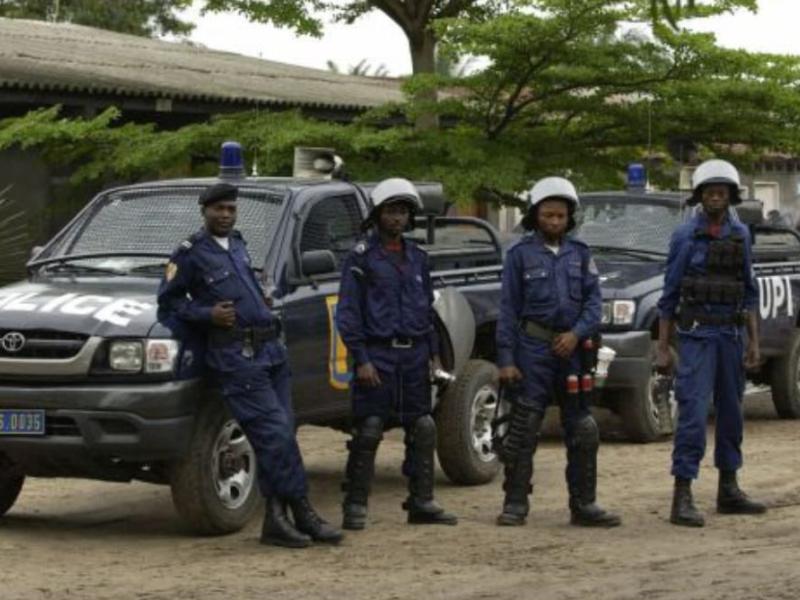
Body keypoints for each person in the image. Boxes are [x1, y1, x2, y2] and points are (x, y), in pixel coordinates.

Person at [157, 182, 342, 548]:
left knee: (283, 436)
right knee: (274, 435)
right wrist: (207, 313)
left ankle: (276, 519)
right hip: (236, 358)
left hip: (271, 352)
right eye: (218, 209)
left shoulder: (239, 245)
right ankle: (302, 511)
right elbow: (168, 305)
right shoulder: (190, 253)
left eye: (230, 209)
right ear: (204, 211)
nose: (225, 215)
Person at [495, 176, 620, 528]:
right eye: (547, 215)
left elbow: (594, 304)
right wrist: (506, 360)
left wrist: (576, 334)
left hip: (574, 352)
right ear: (535, 216)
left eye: (560, 216)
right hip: (532, 350)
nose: (554, 222)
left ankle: (584, 505)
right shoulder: (519, 256)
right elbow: (507, 309)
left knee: (583, 428)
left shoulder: (580, 255)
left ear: (570, 218)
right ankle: (515, 503)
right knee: (524, 428)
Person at [335, 178, 458, 530]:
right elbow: (348, 313)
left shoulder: (418, 258)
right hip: (378, 354)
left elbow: (427, 310)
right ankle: (355, 505)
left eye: (403, 212)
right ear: (377, 214)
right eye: (391, 211)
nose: (397, 218)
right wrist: (361, 359)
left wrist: (435, 356)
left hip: (415, 355)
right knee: (369, 429)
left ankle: (421, 501)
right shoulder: (361, 259)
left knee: (422, 426)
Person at [655, 159, 766, 527]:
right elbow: (669, 295)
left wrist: (754, 341)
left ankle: (729, 488)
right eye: (709, 192)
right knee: (693, 414)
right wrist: (662, 347)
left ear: (731, 196)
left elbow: (749, 291)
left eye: (722, 192)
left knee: (732, 415)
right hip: (698, 336)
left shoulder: (741, 235)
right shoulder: (685, 236)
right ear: (700, 196)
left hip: (731, 337)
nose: (716, 197)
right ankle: (682, 495)